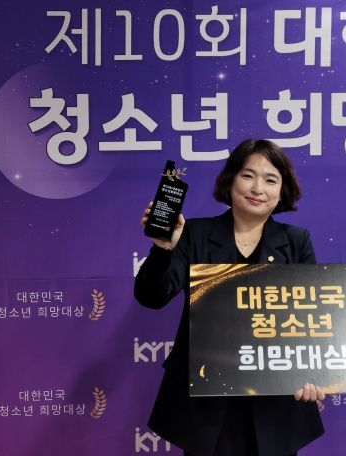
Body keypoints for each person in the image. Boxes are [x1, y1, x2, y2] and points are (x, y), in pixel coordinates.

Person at [135, 139, 325, 456]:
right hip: (207, 403)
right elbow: (152, 297)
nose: (257, 188)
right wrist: (163, 249)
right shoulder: (193, 234)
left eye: (270, 180)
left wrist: (314, 374)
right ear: (231, 180)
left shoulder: (296, 241)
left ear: (282, 191)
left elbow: (310, 320)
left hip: (275, 402)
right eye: (248, 175)